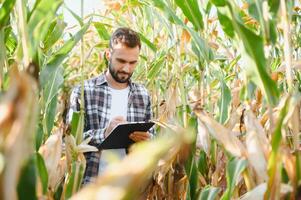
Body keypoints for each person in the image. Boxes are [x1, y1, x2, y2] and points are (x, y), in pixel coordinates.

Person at [67, 27, 155, 185]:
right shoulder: (83, 91)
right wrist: (104, 133)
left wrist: (147, 141)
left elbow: (152, 138)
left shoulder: (142, 95)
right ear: (108, 55)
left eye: (132, 62)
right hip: (92, 186)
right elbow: (69, 142)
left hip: (129, 187)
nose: (126, 69)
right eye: (121, 61)